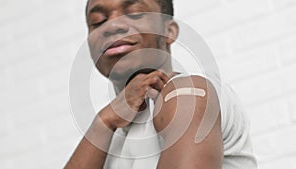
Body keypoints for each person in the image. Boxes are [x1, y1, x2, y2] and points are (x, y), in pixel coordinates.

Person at [65, 0, 258, 168]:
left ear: (169, 31)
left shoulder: (187, 93)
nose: (112, 26)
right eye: (98, 21)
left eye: (134, 13)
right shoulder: (108, 137)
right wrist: (104, 121)